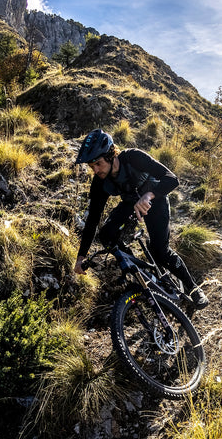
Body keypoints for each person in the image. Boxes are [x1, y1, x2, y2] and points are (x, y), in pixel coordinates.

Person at [73, 129, 209, 309]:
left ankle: (193, 289)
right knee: (106, 235)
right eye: (92, 166)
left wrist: (149, 195)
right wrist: (81, 256)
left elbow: (172, 179)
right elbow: (92, 220)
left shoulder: (133, 158)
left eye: (98, 163)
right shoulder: (100, 182)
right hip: (130, 204)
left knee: (160, 251)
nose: (96, 170)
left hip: (156, 199)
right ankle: (141, 271)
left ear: (111, 155)